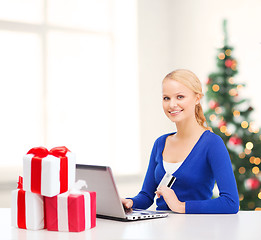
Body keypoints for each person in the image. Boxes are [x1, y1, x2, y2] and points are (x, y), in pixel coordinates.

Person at [121, 69, 239, 214]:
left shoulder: (212, 143)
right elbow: (146, 196)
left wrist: (180, 206)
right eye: (166, 98)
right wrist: (130, 202)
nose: (172, 105)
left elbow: (230, 203)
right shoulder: (160, 143)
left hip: (197, 230)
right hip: (162, 231)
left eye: (180, 97)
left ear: (197, 98)